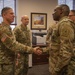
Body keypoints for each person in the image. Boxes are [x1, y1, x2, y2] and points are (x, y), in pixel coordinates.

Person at [0, 7, 42, 75]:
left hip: (11, 60)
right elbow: (13, 45)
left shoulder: (8, 28)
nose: (14, 15)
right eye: (11, 13)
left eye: (13, 13)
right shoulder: (3, 29)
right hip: (6, 62)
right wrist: (32, 50)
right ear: (4, 15)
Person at [47, 4, 75, 75]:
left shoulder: (65, 24)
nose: (53, 13)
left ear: (61, 11)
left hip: (64, 68)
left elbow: (66, 52)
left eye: (55, 11)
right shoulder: (60, 24)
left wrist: (57, 70)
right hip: (58, 64)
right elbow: (56, 44)